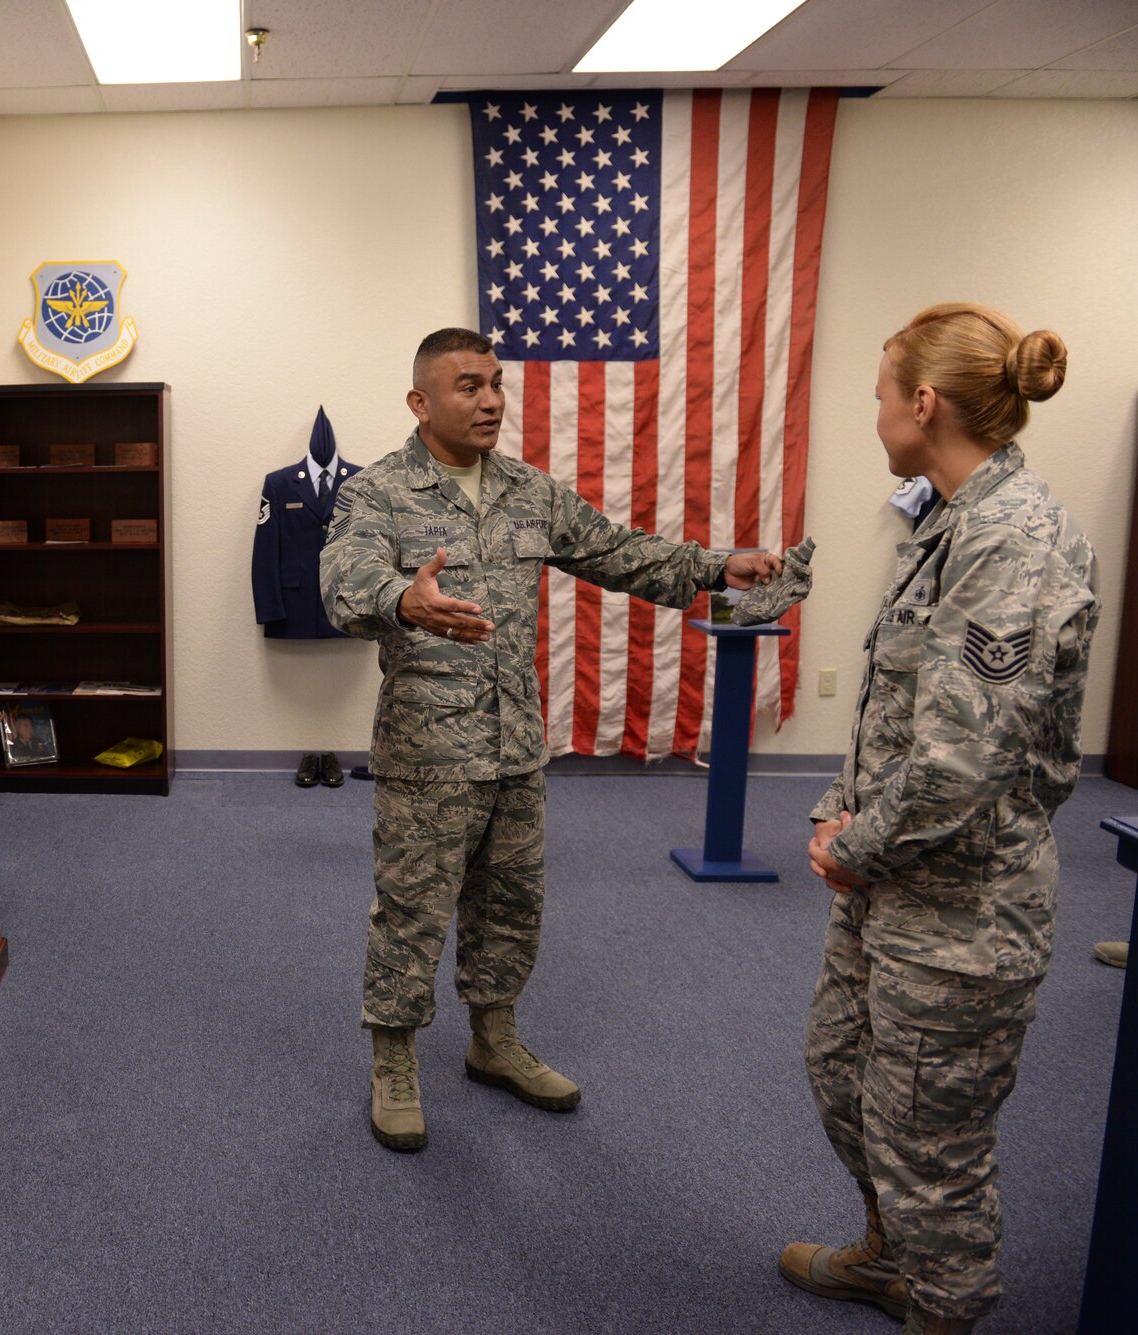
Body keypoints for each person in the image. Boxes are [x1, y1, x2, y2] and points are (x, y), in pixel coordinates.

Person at [319, 327, 782, 1152]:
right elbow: (342, 581)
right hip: (430, 751)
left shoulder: (530, 491)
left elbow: (616, 551)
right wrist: (403, 600)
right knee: (412, 910)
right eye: (469, 386)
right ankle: (393, 1059)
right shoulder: (381, 492)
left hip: (516, 745)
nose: (492, 399)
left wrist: (715, 567)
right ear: (421, 402)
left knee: (511, 904)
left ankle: (494, 1041)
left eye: (496, 383)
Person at [783, 304, 1095, 1335]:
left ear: (922, 403)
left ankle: (943, 1306)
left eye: (879, 395)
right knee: (840, 1074)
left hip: (962, 909)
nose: (874, 415)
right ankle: (887, 1256)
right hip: (891, 884)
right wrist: (841, 815)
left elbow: (958, 765)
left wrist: (853, 844)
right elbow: (900, 709)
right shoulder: (948, 523)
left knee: (931, 1146)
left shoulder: (1008, 539)